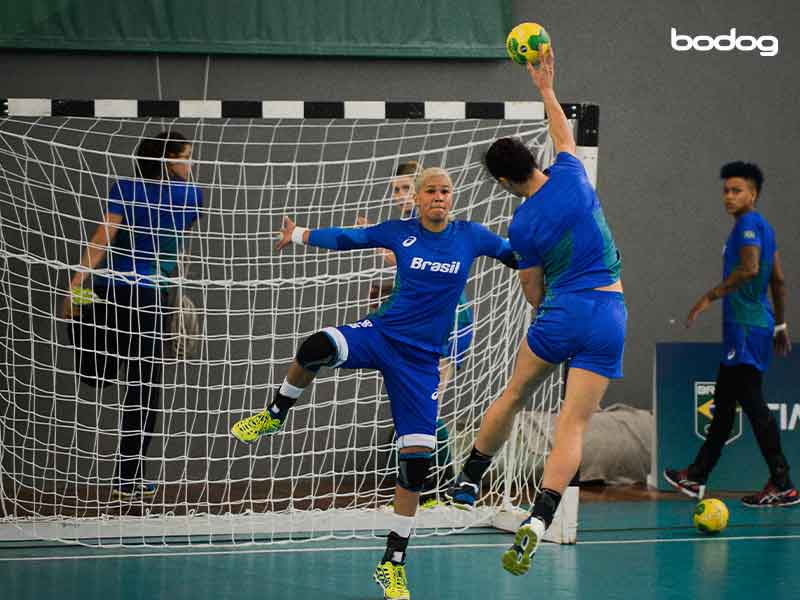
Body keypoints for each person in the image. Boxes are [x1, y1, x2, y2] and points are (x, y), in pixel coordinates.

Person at [231, 167, 518, 600]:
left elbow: (516, 254)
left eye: (445, 191)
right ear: (418, 199)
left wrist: (553, 256)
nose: (439, 197)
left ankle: (392, 564)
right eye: (431, 192)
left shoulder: (470, 236)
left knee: (415, 464)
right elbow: (350, 239)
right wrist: (301, 235)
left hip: (421, 362)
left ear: (451, 197)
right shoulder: (399, 232)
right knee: (315, 347)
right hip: (381, 336)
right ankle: (273, 415)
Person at [446, 49, 626, 576]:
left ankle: (469, 478)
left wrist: (550, 308)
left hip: (560, 313)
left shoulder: (522, 228)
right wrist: (546, 86)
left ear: (504, 182)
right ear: (534, 158)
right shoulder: (572, 173)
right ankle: (540, 519)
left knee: (515, 393)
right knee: (573, 424)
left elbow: (531, 292)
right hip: (610, 314)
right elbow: (562, 132)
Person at [62, 130, 202, 501]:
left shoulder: (139, 189)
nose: (190, 164)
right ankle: (129, 476)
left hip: (126, 295)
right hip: (136, 297)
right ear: (165, 161)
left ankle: (129, 477)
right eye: (185, 156)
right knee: (136, 387)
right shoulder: (190, 196)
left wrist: (76, 285)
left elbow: (104, 241)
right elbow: (107, 238)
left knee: (133, 385)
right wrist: (76, 284)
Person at [664, 162, 797, 507]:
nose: (728, 196)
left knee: (751, 402)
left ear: (753, 194)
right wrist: (781, 324)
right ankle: (696, 477)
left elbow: (751, 268)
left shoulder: (749, 225)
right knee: (724, 407)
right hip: (758, 325)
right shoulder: (763, 227)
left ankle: (782, 482)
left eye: (736, 190)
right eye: (725, 190)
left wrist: (709, 296)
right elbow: (778, 280)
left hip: (745, 328)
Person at [359, 160, 472, 509]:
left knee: (425, 409)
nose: (400, 196)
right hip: (422, 328)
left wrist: (374, 242)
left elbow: (406, 261)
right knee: (415, 407)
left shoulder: (437, 229)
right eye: (395, 190)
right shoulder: (407, 229)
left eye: (407, 188)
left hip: (447, 326)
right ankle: (427, 491)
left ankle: (447, 486)